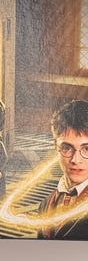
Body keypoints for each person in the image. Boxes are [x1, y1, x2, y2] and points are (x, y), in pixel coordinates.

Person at [39, 100, 88, 240]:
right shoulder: (45, 205)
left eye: (86, 149)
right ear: (56, 146)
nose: (75, 160)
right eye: (67, 148)